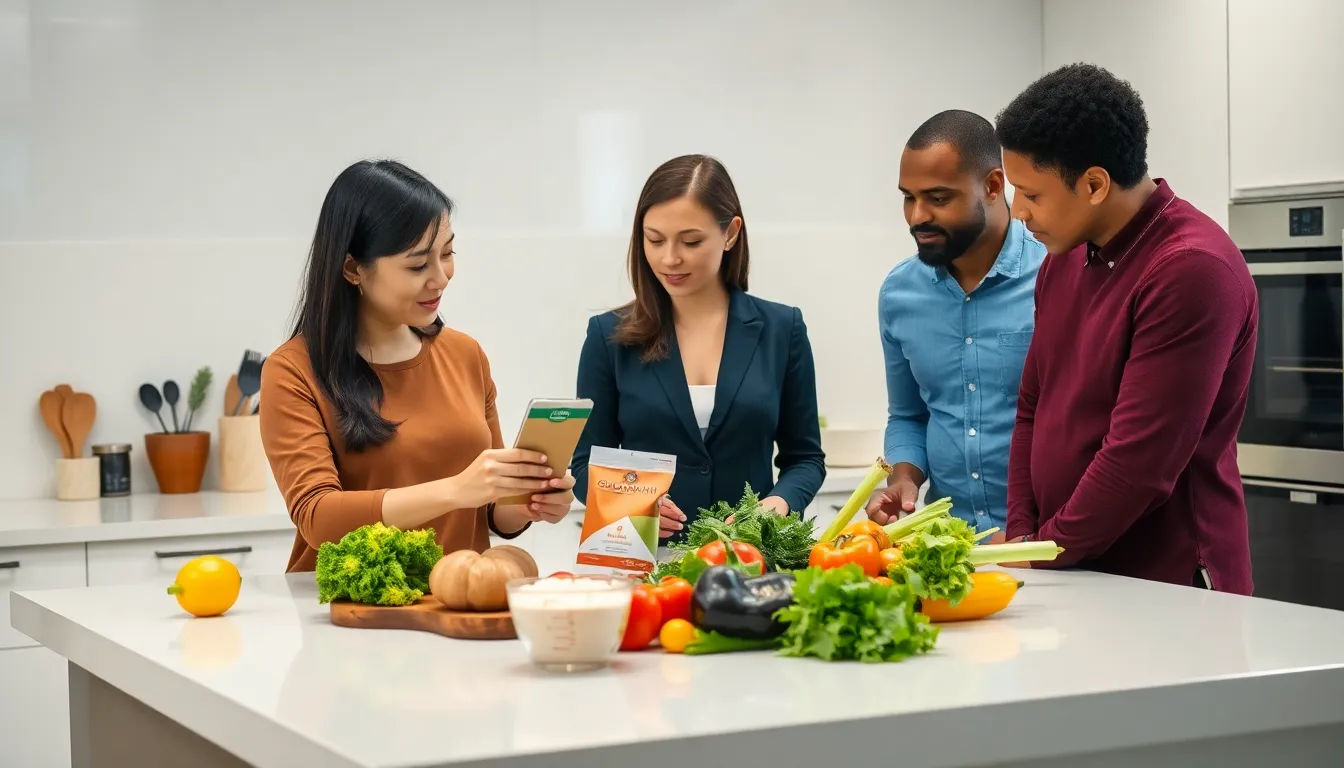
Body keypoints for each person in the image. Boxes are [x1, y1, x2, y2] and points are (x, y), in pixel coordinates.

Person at [995, 63, 1257, 593]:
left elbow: (1137, 463)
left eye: (1032, 194)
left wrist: (1042, 553)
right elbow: (1031, 409)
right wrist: (1024, 538)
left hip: (1170, 584)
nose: (1017, 211)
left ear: (1093, 184)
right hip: (1071, 567)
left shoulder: (1191, 269)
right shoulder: (1061, 260)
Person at [260, 160, 575, 572]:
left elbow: (490, 510)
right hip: (351, 613)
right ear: (354, 269)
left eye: (448, 253)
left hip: (454, 602)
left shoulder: (466, 355)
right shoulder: (293, 371)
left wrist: (528, 502)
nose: (441, 277)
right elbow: (318, 517)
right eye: (417, 264)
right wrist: (456, 490)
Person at [571, 154, 826, 541]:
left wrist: (776, 505)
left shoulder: (782, 329)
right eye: (654, 239)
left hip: (752, 560)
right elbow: (586, 463)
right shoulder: (608, 336)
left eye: (690, 241)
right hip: (644, 560)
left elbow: (805, 460)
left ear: (731, 233)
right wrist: (629, 502)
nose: (669, 258)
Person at [865, 110, 1046, 534]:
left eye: (938, 198)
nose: (916, 216)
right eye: (908, 197)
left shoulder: (1056, 275)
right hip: (948, 544)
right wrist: (904, 478)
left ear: (993, 185)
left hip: (1043, 541)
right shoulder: (899, 293)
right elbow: (909, 415)